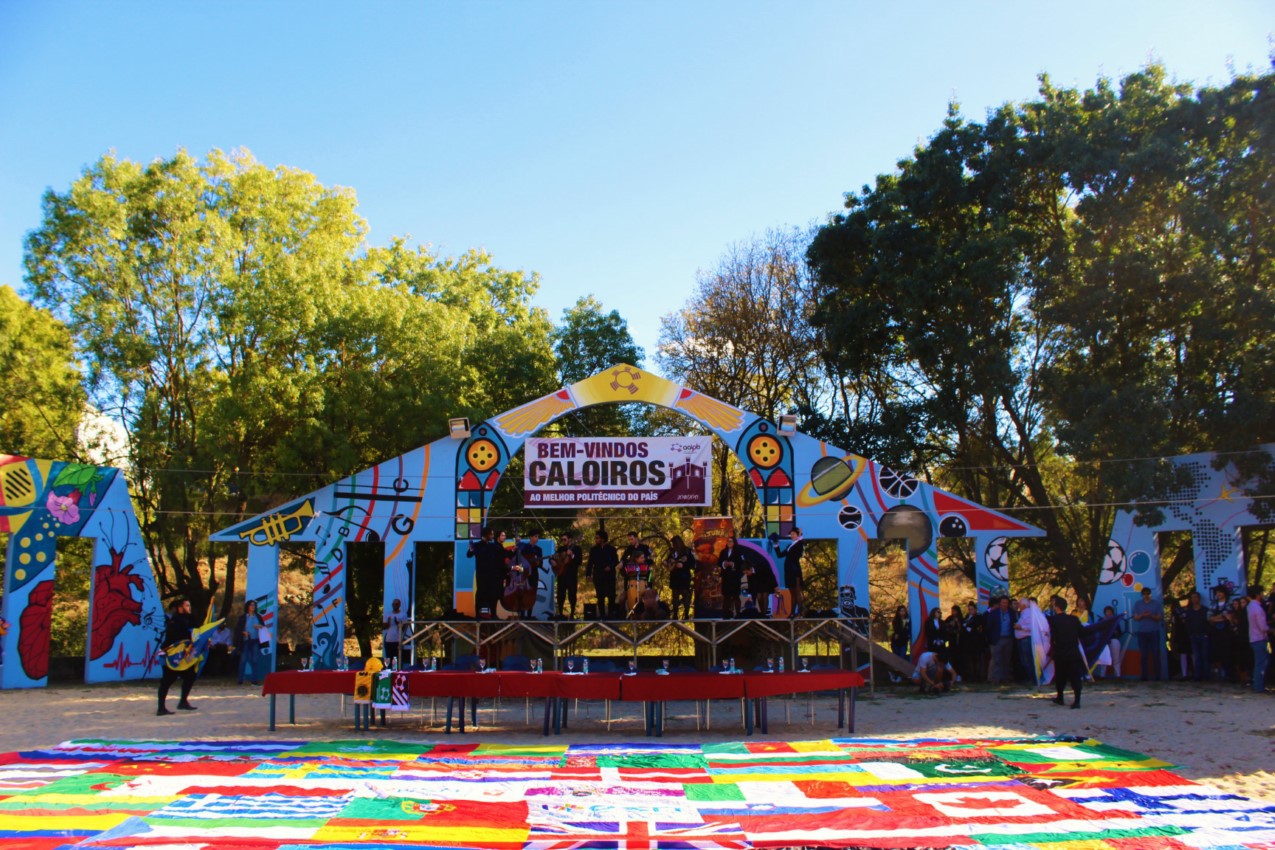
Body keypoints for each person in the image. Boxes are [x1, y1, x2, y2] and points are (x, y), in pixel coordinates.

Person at [157, 598, 200, 715]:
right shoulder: (174, 621)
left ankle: (183, 701)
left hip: (185, 654)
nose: (189, 608)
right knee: (167, 680)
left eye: (189, 605)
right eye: (187, 606)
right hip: (173, 654)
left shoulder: (190, 618)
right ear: (180, 607)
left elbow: (196, 630)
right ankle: (161, 708)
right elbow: (175, 636)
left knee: (191, 675)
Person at [1047, 595, 1084, 709]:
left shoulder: (1053, 620)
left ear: (1056, 607)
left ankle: (1060, 697)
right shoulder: (1074, 619)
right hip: (1073, 651)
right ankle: (1077, 700)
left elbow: (1051, 636)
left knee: (1060, 676)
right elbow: (1082, 633)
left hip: (1061, 652)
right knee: (1075, 677)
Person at [467, 526, 508, 620]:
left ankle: (493, 614)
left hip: (492, 574)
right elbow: (469, 555)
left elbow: (502, 554)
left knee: (493, 594)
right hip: (481, 574)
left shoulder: (492, 546)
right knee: (481, 593)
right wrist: (471, 550)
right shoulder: (477, 545)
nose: (493, 536)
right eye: (491, 534)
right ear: (487, 535)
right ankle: (478, 615)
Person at [1131, 586, 1163, 681]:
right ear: (1142, 595)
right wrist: (1142, 615)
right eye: (1144, 594)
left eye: (1147, 593)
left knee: (1156, 653)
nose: (1146, 595)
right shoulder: (1138, 604)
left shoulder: (1156, 604)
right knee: (1143, 655)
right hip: (1142, 632)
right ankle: (1144, 676)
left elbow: (1159, 617)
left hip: (1154, 631)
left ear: (1150, 594)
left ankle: (1158, 676)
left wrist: (1151, 616)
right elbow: (1136, 617)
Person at [585, 530, 619, 619]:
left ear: (602, 539)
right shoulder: (593, 550)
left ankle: (611, 613)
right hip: (598, 575)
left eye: (597, 538)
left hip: (609, 576)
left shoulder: (611, 549)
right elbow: (590, 563)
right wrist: (588, 574)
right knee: (600, 596)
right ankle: (602, 615)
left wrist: (610, 567)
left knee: (611, 595)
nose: (595, 540)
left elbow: (616, 561)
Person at [985, 595, 1017, 684]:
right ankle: (996, 679)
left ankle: (1005, 679)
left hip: (1008, 639)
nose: (1004, 604)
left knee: (1006, 660)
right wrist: (991, 640)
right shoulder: (993, 613)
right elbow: (989, 627)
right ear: (1000, 603)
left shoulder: (1011, 613)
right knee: (997, 660)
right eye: (1003, 603)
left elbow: (1014, 624)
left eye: (1006, 603)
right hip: (997, 640)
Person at [235, 599, 267, 685]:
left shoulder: (258, 617)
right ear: (248, 607)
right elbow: (238, 629)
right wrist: (243, 632)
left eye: (254, 605)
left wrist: (259, 626)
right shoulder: (243, 617)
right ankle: (240, 679)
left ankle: (254, 679)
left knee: (255, 660)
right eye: (251, 605)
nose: (253, 606)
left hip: (255, 640)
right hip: (245, 640)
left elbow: (264, 628)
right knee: (243, 660)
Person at [553, 532, 583, 619]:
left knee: (572, 595)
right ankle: (561, 613)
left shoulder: (577, 549)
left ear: (570, 539)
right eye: (562, 540)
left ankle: (572, 613)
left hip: (571, 575)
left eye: (564, 539)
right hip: (562, 575)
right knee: (560, 595)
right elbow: (555, 558)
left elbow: (579, 561)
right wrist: (554, 562)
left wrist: (572, 555)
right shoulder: (561, 548)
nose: (563, 541)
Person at [1246, 584, 1269, 693]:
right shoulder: (1258, 609)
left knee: (1259, 662)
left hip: (1253, 638)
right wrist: (1272, 629)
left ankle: (1258, 685)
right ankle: (1259, 687)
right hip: (1260, 639)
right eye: (1261, 593)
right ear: (1257, 594)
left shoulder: (1250, 606)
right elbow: (1263, 627)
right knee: (1261, 663)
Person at [778, 527, 805, 618]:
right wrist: (776, 545)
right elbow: (780, 555)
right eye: (791, 534)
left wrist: (800, 534)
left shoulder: (799, 544)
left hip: (795, 570)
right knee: (792, 592)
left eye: (794, 534)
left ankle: (801, 613)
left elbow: (801, 541)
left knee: (797, 592)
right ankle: (792, 613)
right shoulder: (790, 545)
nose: (792, 535)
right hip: (788, 571)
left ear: (798, 535)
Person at [1208, 586, 1234, 681]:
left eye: (1220, 592)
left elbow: (1227, 615)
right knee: (1216, 652)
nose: (1218, 594)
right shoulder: (1213, 603)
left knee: (1228, 652)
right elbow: (1209, 617)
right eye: (1217, 593)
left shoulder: (1230, 602)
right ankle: (1220, 673)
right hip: (1216, 632)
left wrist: (1217, 618)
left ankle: (1229, 674)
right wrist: (1220, 617)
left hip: (1227, 632)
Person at [1183, 591, 1210, 681]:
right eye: (1192, 597)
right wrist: (1190, 633)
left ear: (1199, 598)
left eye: (1196, 597)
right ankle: (1197, 676)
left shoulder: (1204, 610)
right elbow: (1187, 623)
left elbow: (1208, 623)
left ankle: (1206, 675)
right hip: (1193, 636)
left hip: (1204, 635)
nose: (1194, 599)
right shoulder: (1189, 611)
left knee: (1205, 656)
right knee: (1196, 656)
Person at [666, 535, 695, 620]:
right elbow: (668, 561)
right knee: (675, 596)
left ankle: (686, 614)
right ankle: (675, 614)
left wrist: (683, 565)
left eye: (674, 544)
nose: (673, 546)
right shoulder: (671, 552)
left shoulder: (688, 551)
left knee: (686, 596)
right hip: (674, 577)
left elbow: (692, 564)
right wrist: (667, 563)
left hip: (684, 577)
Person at [717, 535, 746, 618]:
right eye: (728, 541)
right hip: (726, 576)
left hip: (735, 577)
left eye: (731, 541)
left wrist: (733, 564)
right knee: (726, 596)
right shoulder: (723, 552)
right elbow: (719, 562)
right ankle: (726, 614)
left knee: (736, 595)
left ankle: (738, 614)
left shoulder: (739, 552)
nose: (729, 543)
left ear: (734, 542)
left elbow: (742, 563)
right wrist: (724, 564)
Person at [518, 531, 545, 618]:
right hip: (524, 573)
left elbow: (541, 564)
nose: (537, 538)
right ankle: (522, 614)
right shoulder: (525, 547)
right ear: (530, 537)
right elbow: (520, 560)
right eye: (535, 536)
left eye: (538, 536)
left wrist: (538, 563)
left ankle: (529, 615)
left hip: (534, 573)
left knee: (532, 593)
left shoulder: (539, 549)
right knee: (523, 592)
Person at [1097, 605, 1124, 679]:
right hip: (1104, 641)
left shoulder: (1115, 621)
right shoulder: (1101, 621)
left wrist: (1115, 632)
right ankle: (1102, 675)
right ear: (1104, 612)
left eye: (1110, 611)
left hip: (1114, 640)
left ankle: (1117, 675)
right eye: (1107, 611)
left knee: (1116, 658)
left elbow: (1119, 632)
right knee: (1104, 658)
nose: (1108, 613)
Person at [382, 598, 406, 664]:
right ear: (392, 605)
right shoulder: (388, 614)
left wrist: (397, 623)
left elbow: (404, 628)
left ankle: (397, 671)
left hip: (398, 640)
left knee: (397, 659)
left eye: (396, 604)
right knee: (388, 658)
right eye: (394, 604)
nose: (395, 605)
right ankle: (387, 670)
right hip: (388, 639)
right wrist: (388, 622)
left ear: (399, 605)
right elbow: (384, 627)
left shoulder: (403, 615)